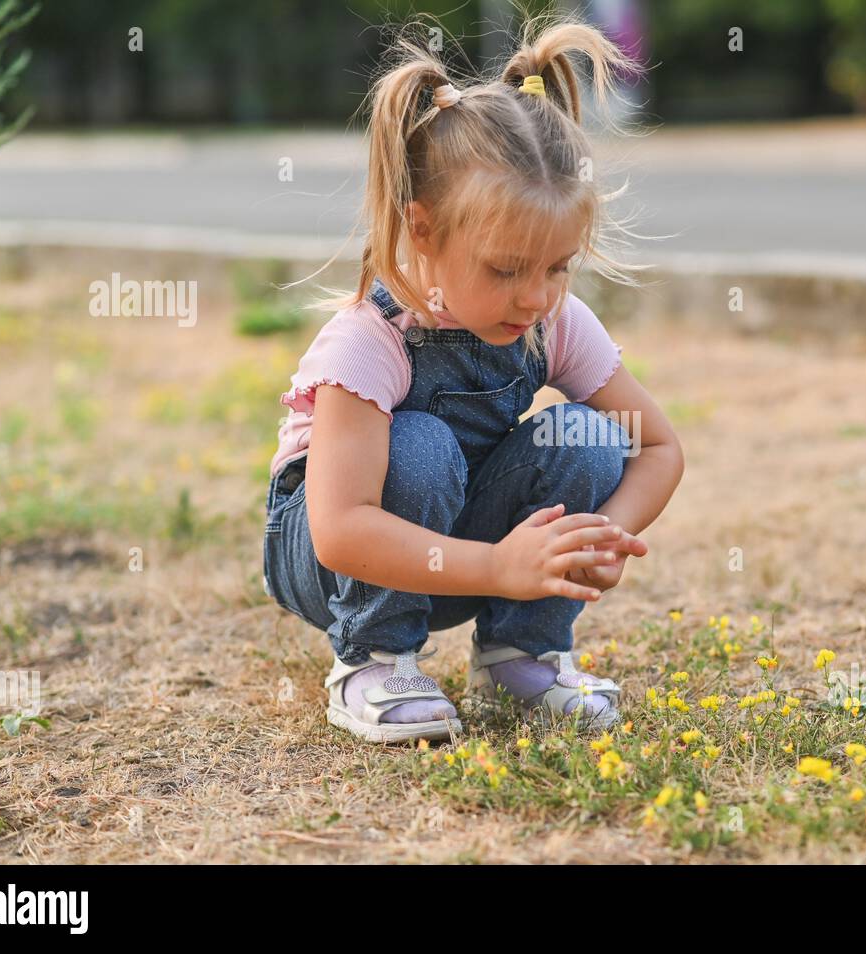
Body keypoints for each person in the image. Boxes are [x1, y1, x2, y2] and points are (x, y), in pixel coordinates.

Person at [261, 14, 683, 744]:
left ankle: (521, 652)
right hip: (336, 562)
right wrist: (499, 563)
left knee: (583, 434)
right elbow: (339, 531)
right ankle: (375, 659)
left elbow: (660, 448)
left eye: (558, 267)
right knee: (419, 444)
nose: (536, 297)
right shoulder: (370, 342)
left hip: (465, 557)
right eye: (506, 269)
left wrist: (596, 542)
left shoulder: (553, 320)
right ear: (421, 230)